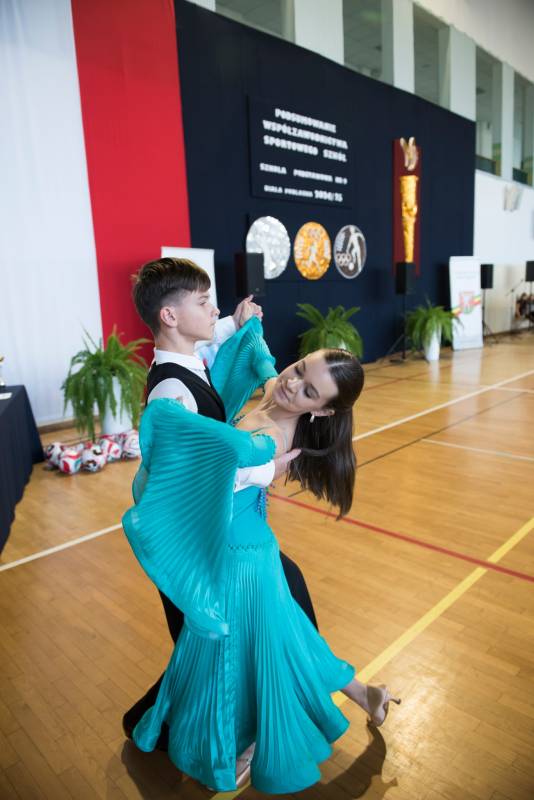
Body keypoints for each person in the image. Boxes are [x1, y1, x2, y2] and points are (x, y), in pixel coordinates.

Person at [122, 316, 400, 794]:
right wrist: (243, 324)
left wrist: (260, 470)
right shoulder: (278, 390)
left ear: (323, 411)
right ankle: (365, 693)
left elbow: (224, 473)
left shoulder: (273, 435)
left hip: (239, 558)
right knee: (289, 639)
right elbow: (263, 360)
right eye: (300, 368)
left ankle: (245, 745)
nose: (292, 384)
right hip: (247, 545)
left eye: (309, 391)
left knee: (238, 656)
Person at [123, 258, 318, 756]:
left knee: (207, 642)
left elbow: (210, 339)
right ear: (170, 316)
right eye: (203, 302)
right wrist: (266, 468)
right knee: (202, 648)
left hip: (204, 535)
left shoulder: (185, 362)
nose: (213, 311)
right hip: (187, 545)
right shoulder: (172, 392)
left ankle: (206, 725)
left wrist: (237, 320)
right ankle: (166, 730)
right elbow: (195, 477)